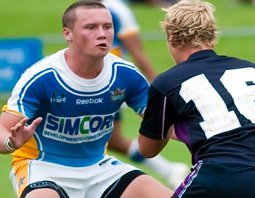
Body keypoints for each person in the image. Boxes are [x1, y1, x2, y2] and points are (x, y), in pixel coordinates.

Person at [0, 1, 173, 197]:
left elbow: (164, 122)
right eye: (91, 27)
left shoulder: (125, 73)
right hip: (43, 168)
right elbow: (2, 129)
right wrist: (10, 143)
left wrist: (204, 136)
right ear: (68, 34)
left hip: (99, 167)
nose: (102, 34)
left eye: (107, 27)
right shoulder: (42, 77)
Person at [138, 0, 255, 197]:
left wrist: (168, 126)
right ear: (212, 36)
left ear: (170, 35)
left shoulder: (167, 83)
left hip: (220, 176)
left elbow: (147, 150)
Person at [102, 0, 190, 189]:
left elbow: (137, 50)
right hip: (92, 80)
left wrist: (159, 86)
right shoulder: (81, 9)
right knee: (113, 141)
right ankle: (170, 170)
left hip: (110, 83)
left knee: (101, 141)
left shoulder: (117, 9)